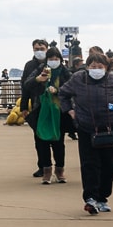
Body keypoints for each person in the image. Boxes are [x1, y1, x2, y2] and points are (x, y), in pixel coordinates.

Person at [59, 50, 113, 215]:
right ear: (87, 67)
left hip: (109, 129)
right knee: (89, 164)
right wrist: (70, 111)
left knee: (107, 165)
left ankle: (102, 198)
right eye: (93, 66)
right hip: (86, 128)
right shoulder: (78, 79)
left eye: (100, 66)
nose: (96, 69)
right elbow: (63, 94)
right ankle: (90, 198)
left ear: (106, 68)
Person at [21, 47, 70, 184]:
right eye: (51, 59)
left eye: (56, 59)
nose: (53, 61)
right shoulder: (40, 70)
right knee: (41, 141)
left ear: (60, 59)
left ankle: (59, 170)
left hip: (59, 112)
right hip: (41, 110)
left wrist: (58, 90)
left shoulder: (65, 72)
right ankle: (46, 170)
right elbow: (26, 85)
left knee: (58, 142)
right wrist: (38, 79)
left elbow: (72, 88)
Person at [20, 39, 50, 176]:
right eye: (36, 49)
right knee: (39, 137)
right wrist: (24, 106)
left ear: (47, 49)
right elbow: (24, 87)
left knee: (56, 138)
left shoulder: (52, 63)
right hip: (37, 104)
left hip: (52, 105)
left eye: (41, 48)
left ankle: (58, 166)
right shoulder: (29, 65)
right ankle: (42, 166)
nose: (39, 51)